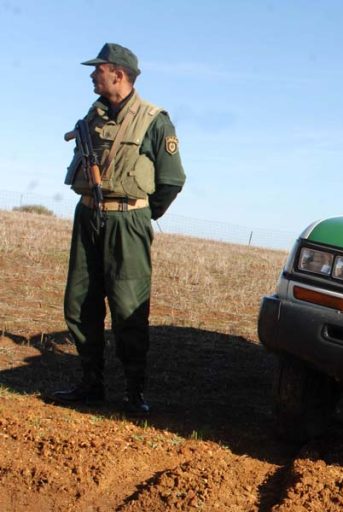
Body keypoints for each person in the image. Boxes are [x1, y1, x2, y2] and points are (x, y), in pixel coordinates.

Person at [52, 43, 186, 415]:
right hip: (88, 215)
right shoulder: (93, 116)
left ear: (119, 74)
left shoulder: (154, 120)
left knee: (128, 307)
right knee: (80, 301)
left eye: (99, 69)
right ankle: (90, 383)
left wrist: (139, 213)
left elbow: (172, 180)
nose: (92, 74)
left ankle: (133, 392)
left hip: (128, 222)